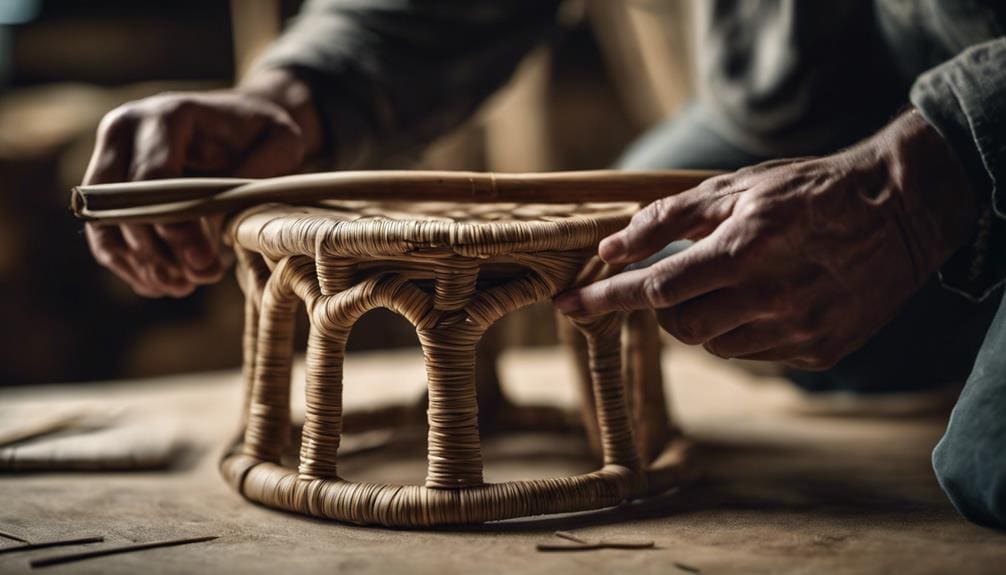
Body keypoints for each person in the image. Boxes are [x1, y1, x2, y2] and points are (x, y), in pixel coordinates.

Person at [81, 1, 1006, 528]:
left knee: (989, 466)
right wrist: (298, 94)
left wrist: (919, 181)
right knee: (674, 246)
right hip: (816, 90)